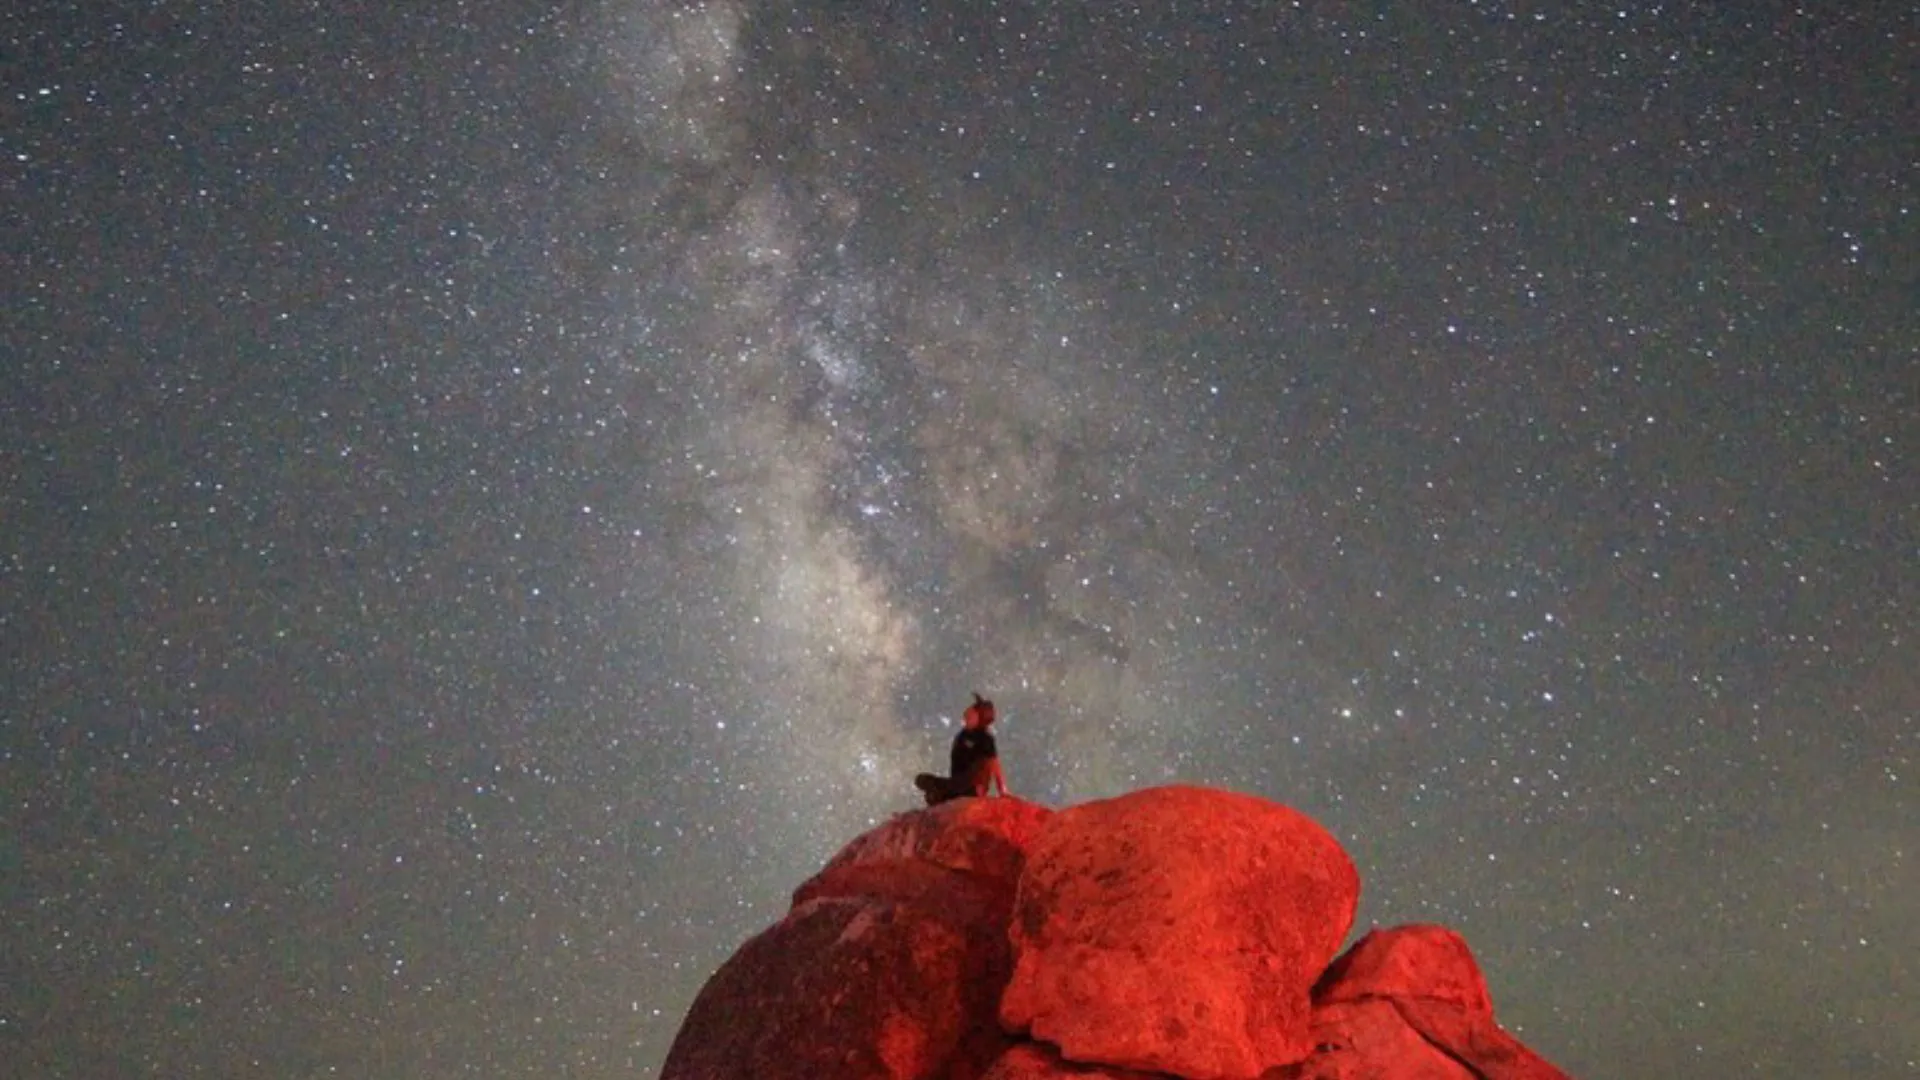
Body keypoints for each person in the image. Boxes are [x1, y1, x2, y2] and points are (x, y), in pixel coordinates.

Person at [914, 692, 1010, 805]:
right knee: (926, 785)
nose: (966, 714)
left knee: (934, 786)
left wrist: (1002, 790)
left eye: (972, 713)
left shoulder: (985, 739)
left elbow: (994, 764)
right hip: (957, 783)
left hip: (972, 787)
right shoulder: (963, 735)